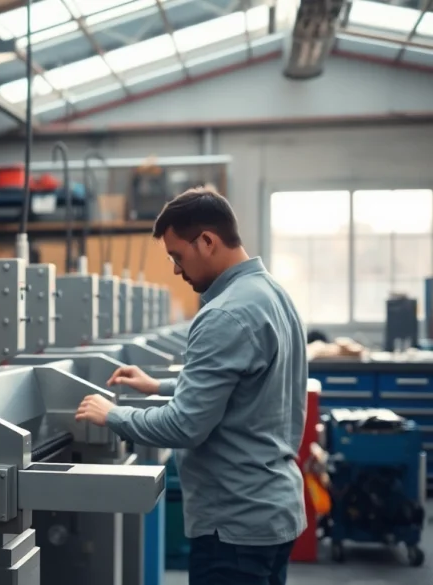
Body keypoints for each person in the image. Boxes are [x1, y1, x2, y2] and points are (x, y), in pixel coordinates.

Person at [75, 187, 308, 585]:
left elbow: (185, 426)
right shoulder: (272, 295)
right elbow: (244, 384)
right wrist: (159, 385)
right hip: (271, 512)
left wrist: (113, 415)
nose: (176, 270)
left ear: (207, 241)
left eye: (177, 256)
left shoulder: (224, 314)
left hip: (232, 528)